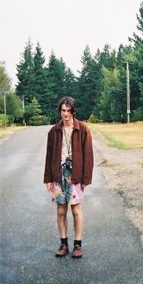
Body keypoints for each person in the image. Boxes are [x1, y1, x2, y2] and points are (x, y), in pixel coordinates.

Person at [44, 96, 94, 258]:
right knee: (61, 210)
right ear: (60, 111)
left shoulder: (82, 129)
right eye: (63, 110)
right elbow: (49, 157)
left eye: (68, 111)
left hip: (75, 175)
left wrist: (85, 179)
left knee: (76, 210)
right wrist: (48, 179)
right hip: (58, 175)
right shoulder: (54, 131)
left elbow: (88, 155)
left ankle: (78, 245)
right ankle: (63, 244)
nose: (65, 114)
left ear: (73, 111)